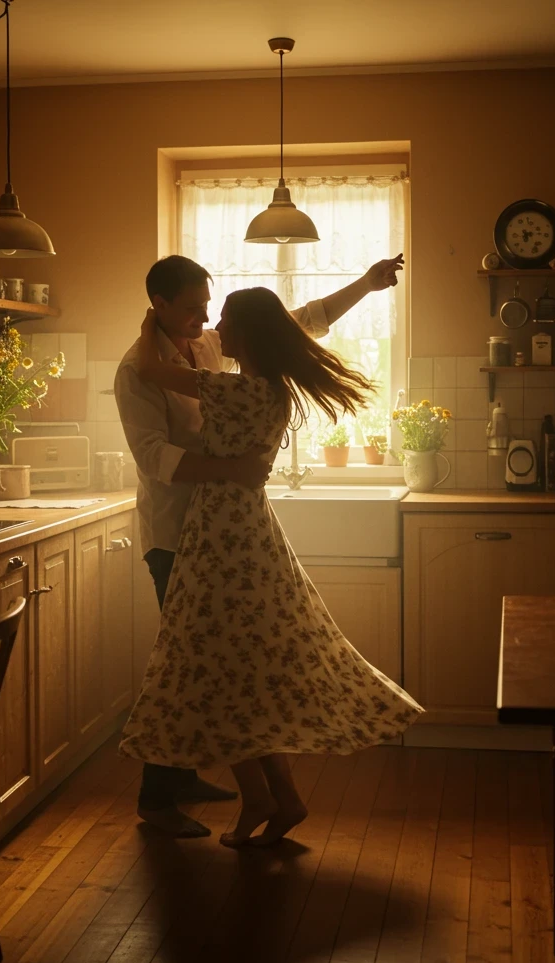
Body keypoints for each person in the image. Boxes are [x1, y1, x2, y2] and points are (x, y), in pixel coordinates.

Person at [118, 284, 425, 847]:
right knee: (241, 671)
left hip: (219, 539)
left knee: (216, 669)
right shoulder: (267, 391)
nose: (217, 328)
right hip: (245, 533)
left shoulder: (230, 390)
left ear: (249, 335)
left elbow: (147, 367)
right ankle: (276, 797)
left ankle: (267, 797)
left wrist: (149, 324)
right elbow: (299, 321)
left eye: (227, 319)